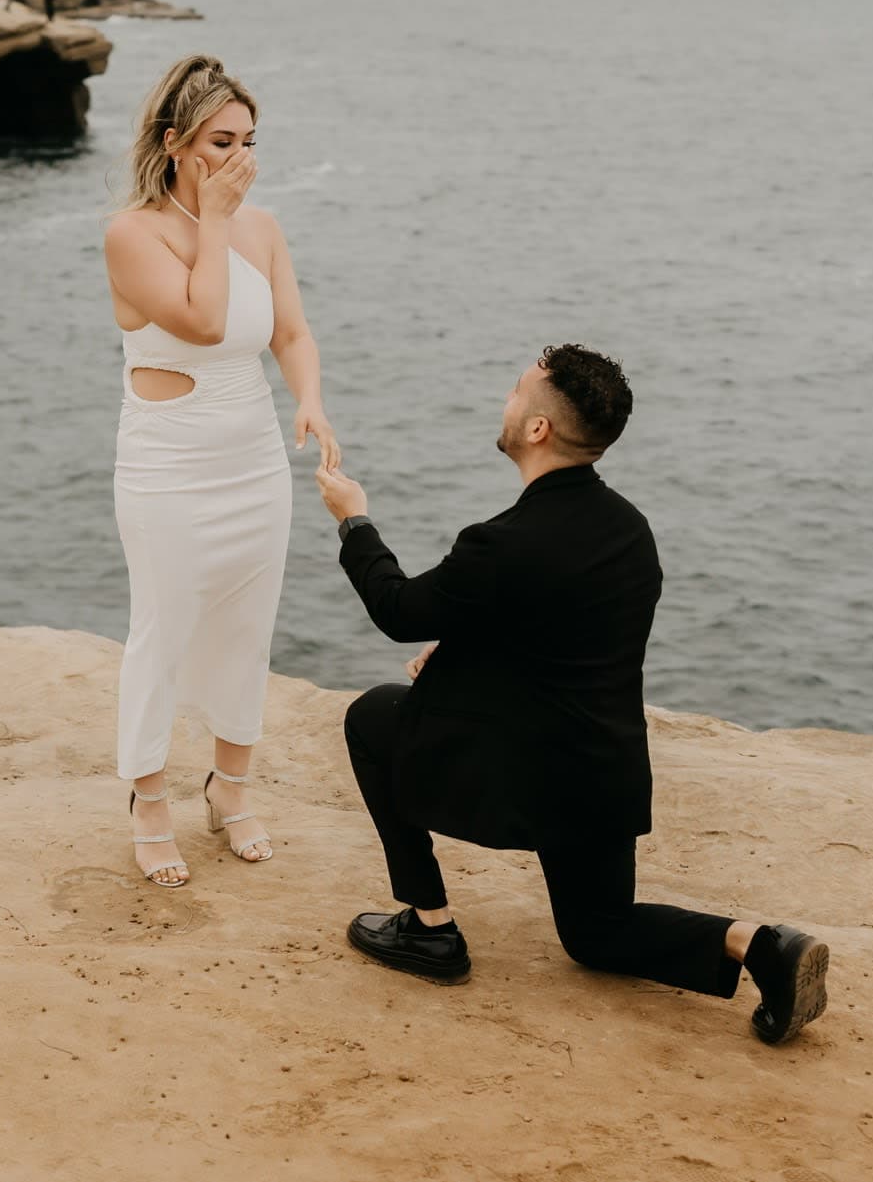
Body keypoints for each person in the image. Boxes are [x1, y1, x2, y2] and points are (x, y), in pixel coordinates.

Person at [314, 346, 833, 1045]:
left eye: (515, 392)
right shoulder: (628, 530)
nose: (504, 400)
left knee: (374, 716)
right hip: (600, 777)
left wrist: (354, 520)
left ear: (537, 429)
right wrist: (461, 652)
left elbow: (399, 610)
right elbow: (562, 644)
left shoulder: (500, 543)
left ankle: (428, 927)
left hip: (525, 775)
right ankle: (764, 944)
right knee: (597, 934)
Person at [102, 54, 342, 888]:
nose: (238, 158)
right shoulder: (132, 233)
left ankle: (230, 789)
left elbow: (292, 334)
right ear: (174, 144)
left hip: (252, 462)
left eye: (249, 141)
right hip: (167, 466)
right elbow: (203, 322)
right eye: (219, 142)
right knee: (162, 630)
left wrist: (308, 398)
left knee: (247, 631)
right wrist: (211, 218)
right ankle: (147, 801)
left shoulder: (263, 228)